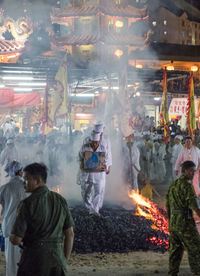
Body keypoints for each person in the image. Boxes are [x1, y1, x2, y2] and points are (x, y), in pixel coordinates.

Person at [10, 163, 74, 276]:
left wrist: (11, 236)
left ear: (38, 180)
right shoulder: (61, 200)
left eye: (26, 179)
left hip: (33, 262)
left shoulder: (26, 204)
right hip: (57, 262)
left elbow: (16, 240)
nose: (24, 183)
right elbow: (70, 234)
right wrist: (64, 261)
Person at [166, 160, 200, 276]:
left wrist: (170, 223)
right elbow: (194, 207)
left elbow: (168, 206)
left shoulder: (173, 185)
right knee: (195, 248)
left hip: (174, 223)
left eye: (194, 171)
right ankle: (197, 271)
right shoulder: (187, 186)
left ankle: (173, 272)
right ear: (184, 171)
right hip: (185, 223)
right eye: (191, 171)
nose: (192, 173)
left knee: (175, 251)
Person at [0, 161, 25, 276]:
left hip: (9, 227)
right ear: (20, 171)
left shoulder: (4, 188)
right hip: (25, 228)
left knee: (11, 262)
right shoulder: (27, 186)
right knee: (25, 260)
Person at [79, 132, 108, 216]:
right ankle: (88, 206)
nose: (95, 144)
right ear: (90, 141)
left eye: (97, 142)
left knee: (98, 192)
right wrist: (82, 165)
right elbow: (80, 158)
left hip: (98, 175)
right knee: (86, 192)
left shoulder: (102, 148)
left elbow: (105, 159)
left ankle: (94, 210)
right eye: (93, 142)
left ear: (99, 141)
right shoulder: (85, 148)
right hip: (87, 174)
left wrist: (105, 165)